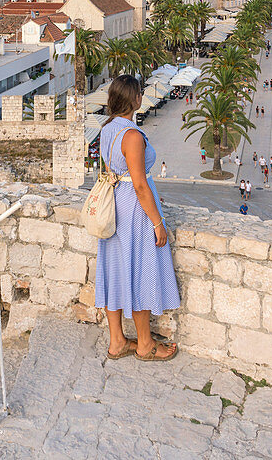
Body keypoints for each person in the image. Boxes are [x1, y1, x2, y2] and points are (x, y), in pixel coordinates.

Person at [95, 75, 180, 362]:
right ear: (136, 100)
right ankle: (144, 344)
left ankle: (117, 341)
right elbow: (140, 184)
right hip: (134, 212)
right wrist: (157, 221)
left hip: (115, 208)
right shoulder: (131, 136)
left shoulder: (107, 129)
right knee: (140, 271)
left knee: (116, 271)